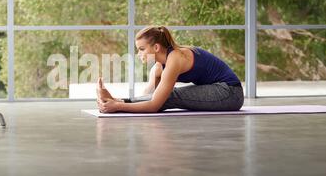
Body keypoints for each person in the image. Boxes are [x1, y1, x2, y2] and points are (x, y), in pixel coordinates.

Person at [96, 25, 244, 113]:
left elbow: (155, 105)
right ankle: (114, 100)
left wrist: (118, 106)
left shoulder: (175, 59)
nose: (138, 54)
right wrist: (118, 100)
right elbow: (151, 95)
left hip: (230, 93)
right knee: (164, 95)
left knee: (171, 96)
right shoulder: (159, 66)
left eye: (141, 49)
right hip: (217, 89)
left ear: (156, 47)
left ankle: (115, 103)